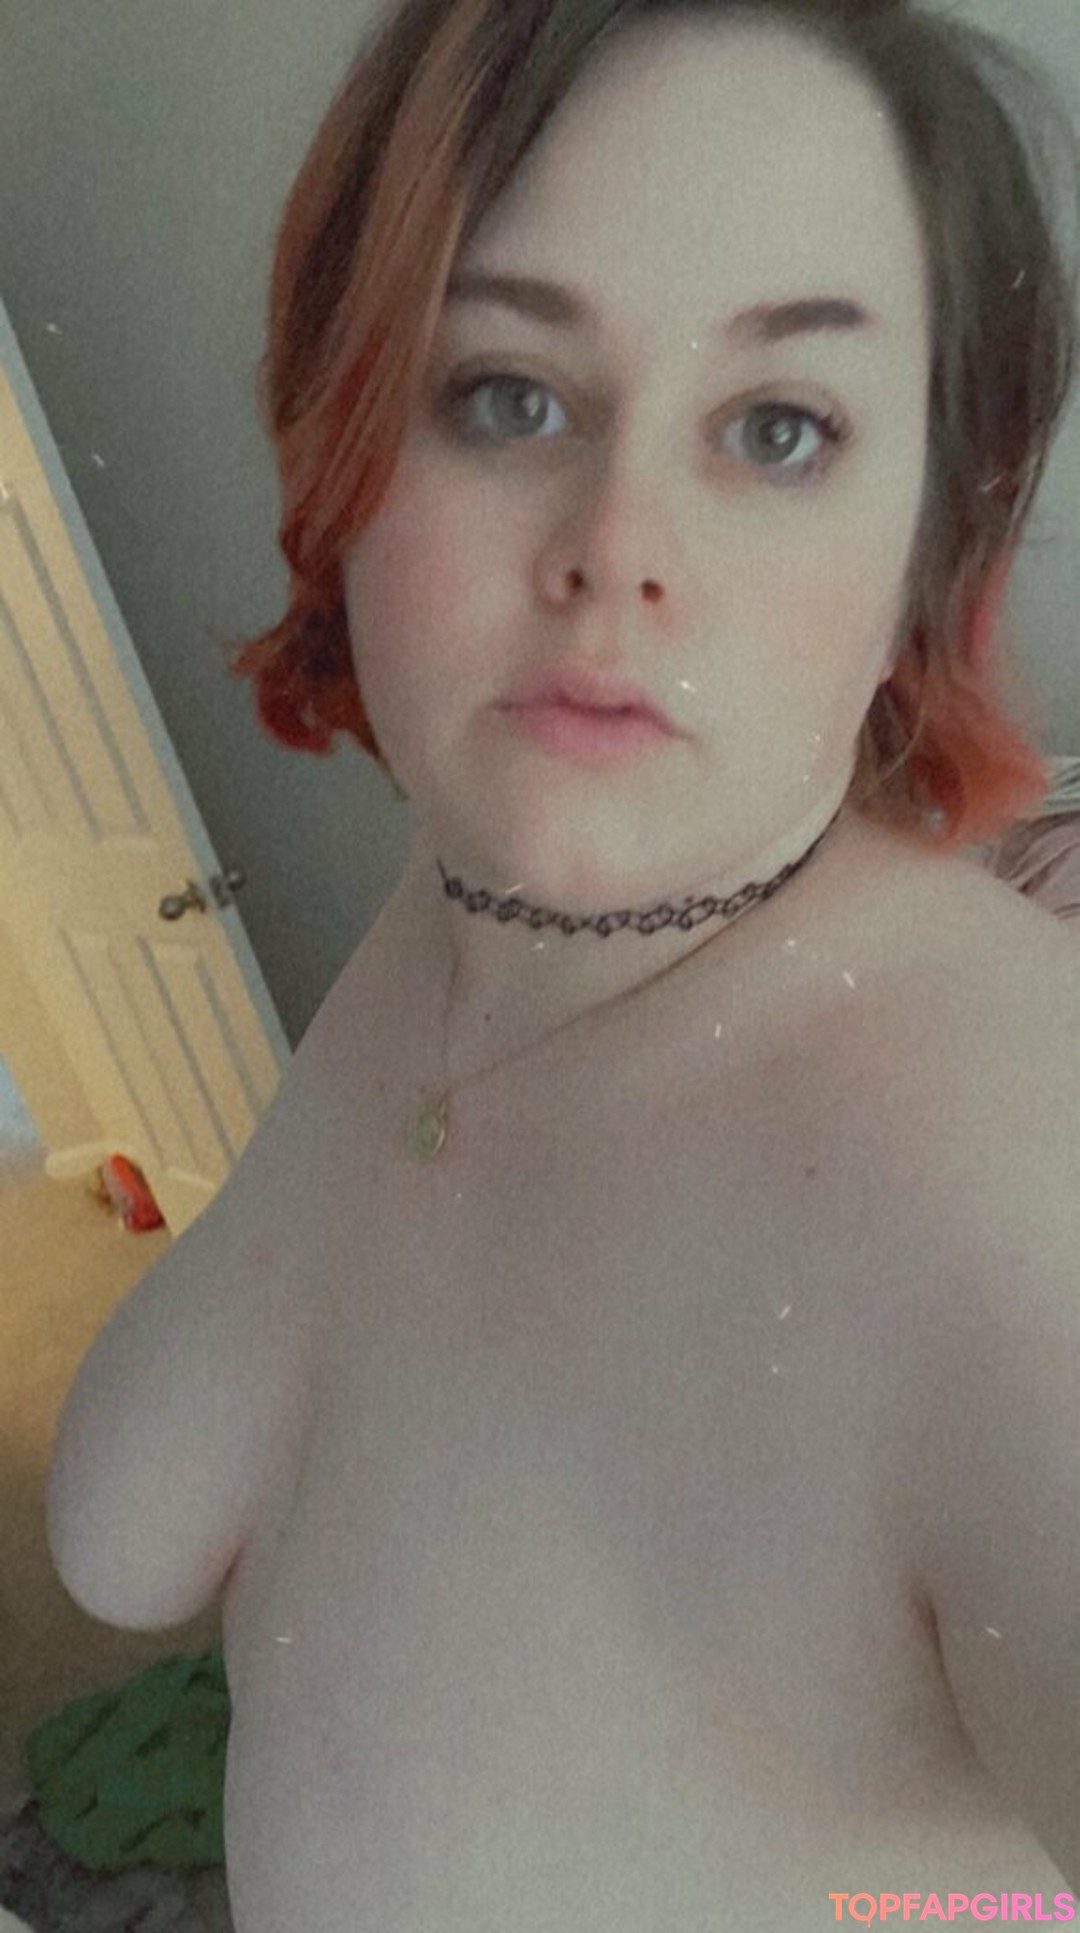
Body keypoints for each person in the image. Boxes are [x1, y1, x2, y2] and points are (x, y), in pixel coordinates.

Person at [46, 1, 1080, 1927]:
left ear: (931, 537)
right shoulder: (490, 895)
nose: (618, 547)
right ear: (345, 437)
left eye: (779, 428)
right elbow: (143, 1536)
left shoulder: (1010, 1170)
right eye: (509, 395)